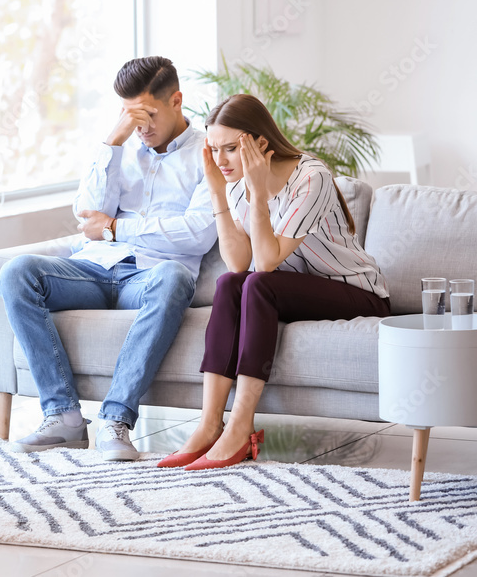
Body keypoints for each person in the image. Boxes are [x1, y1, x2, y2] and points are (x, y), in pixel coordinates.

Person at [0, 56, 218, 461]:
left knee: (173, 277)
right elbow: (87, 212)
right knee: (16, 272)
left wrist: (117, 228)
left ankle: (116, 419)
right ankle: (63, 416)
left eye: (149, 114)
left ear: (177, 101)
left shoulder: (206, 153)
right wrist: (112, 143)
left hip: (151, 277)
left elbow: (198, 234)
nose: (142, 127)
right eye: (131, 115)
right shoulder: (121, 149)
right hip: (94, 269)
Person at [158, 93, 391, 471]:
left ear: (260, 143)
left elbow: (265, 262)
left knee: (257, 283)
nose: (220, 160)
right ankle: (208, 424)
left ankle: (240, 427)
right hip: (292, 290)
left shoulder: (310, 177)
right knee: (230, 284)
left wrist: (259, 194)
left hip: (358, 292)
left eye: (231, 149)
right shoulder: (232, 182)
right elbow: (238, 262)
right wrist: (218, 191)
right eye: (214, 149)